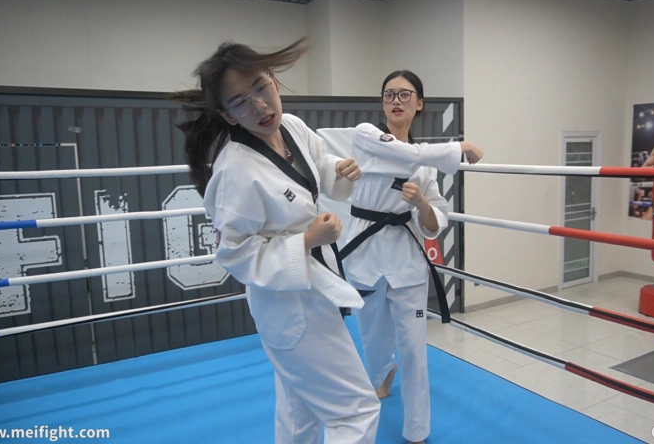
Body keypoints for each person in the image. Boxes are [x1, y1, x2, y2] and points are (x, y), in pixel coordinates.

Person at [173, 39, 380, 444]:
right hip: (289, 307)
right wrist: (306, 240)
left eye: (261, 87)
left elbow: (317, 165)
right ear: (226, 115)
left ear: (275, 81)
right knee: (356, 411)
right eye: (240, 102)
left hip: (311, 291)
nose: (260, 106)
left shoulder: (292, 127)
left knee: (299, 414)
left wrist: (340, 169)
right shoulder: (236, 172)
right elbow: (235, 253)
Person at [339, 70, 483, 444]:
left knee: (415, 351)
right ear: (382, 102)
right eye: (389, 94)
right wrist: (459, 147)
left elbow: (434, 225)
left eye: (405, 95)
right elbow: (404, 153)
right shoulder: (365, 137)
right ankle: (384, 371)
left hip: (407, 263)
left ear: (419, 104)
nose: (396, 101)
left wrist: (421, 202)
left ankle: (417, 429)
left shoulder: (426, 166)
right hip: (365, 258)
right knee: (372, 341)